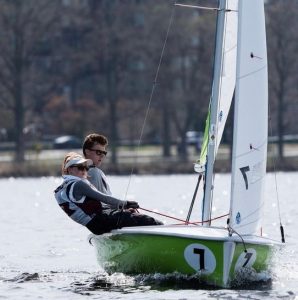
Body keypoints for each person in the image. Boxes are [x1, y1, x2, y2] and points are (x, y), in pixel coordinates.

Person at [54, 152, 162, 235]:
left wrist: (122, 208)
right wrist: (125, 203)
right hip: (102, 221)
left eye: (85, 167)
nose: (84, 170)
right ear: (70, 170)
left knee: (130, 213)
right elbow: (104, 198)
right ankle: (164, 231)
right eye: (80, 167)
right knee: (147, 220)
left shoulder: (61, 189)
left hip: (95, 227)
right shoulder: (78, 185)